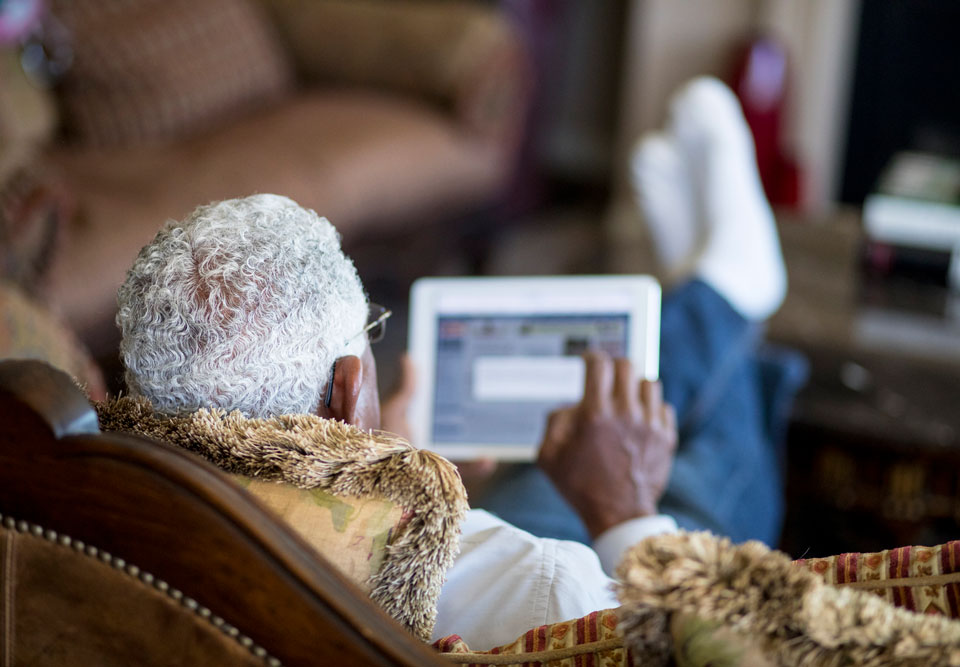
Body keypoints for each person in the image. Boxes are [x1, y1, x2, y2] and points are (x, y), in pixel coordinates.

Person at [114, 76, 802, 650]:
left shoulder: (102, 525)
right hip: (595, 549)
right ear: (347, 392)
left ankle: (723, 291)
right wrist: (623, 509)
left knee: (575, 451)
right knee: (702, 470)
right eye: (372, 337)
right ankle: (728, 298)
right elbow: (697, 647)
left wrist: (400, 463)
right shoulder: (547, 584)